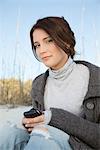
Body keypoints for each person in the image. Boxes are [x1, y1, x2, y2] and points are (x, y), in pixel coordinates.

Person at [0, 16, 100, 150]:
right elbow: (40, 123)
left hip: (77, 146)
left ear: (67, 42)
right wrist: (31, 123)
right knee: (8, 133)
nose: (41, 50)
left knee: (43, 136)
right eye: (37, 45)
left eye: (49, 41)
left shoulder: (96, 78)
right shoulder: (38, 83)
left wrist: (55, 118)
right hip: (43, 140)